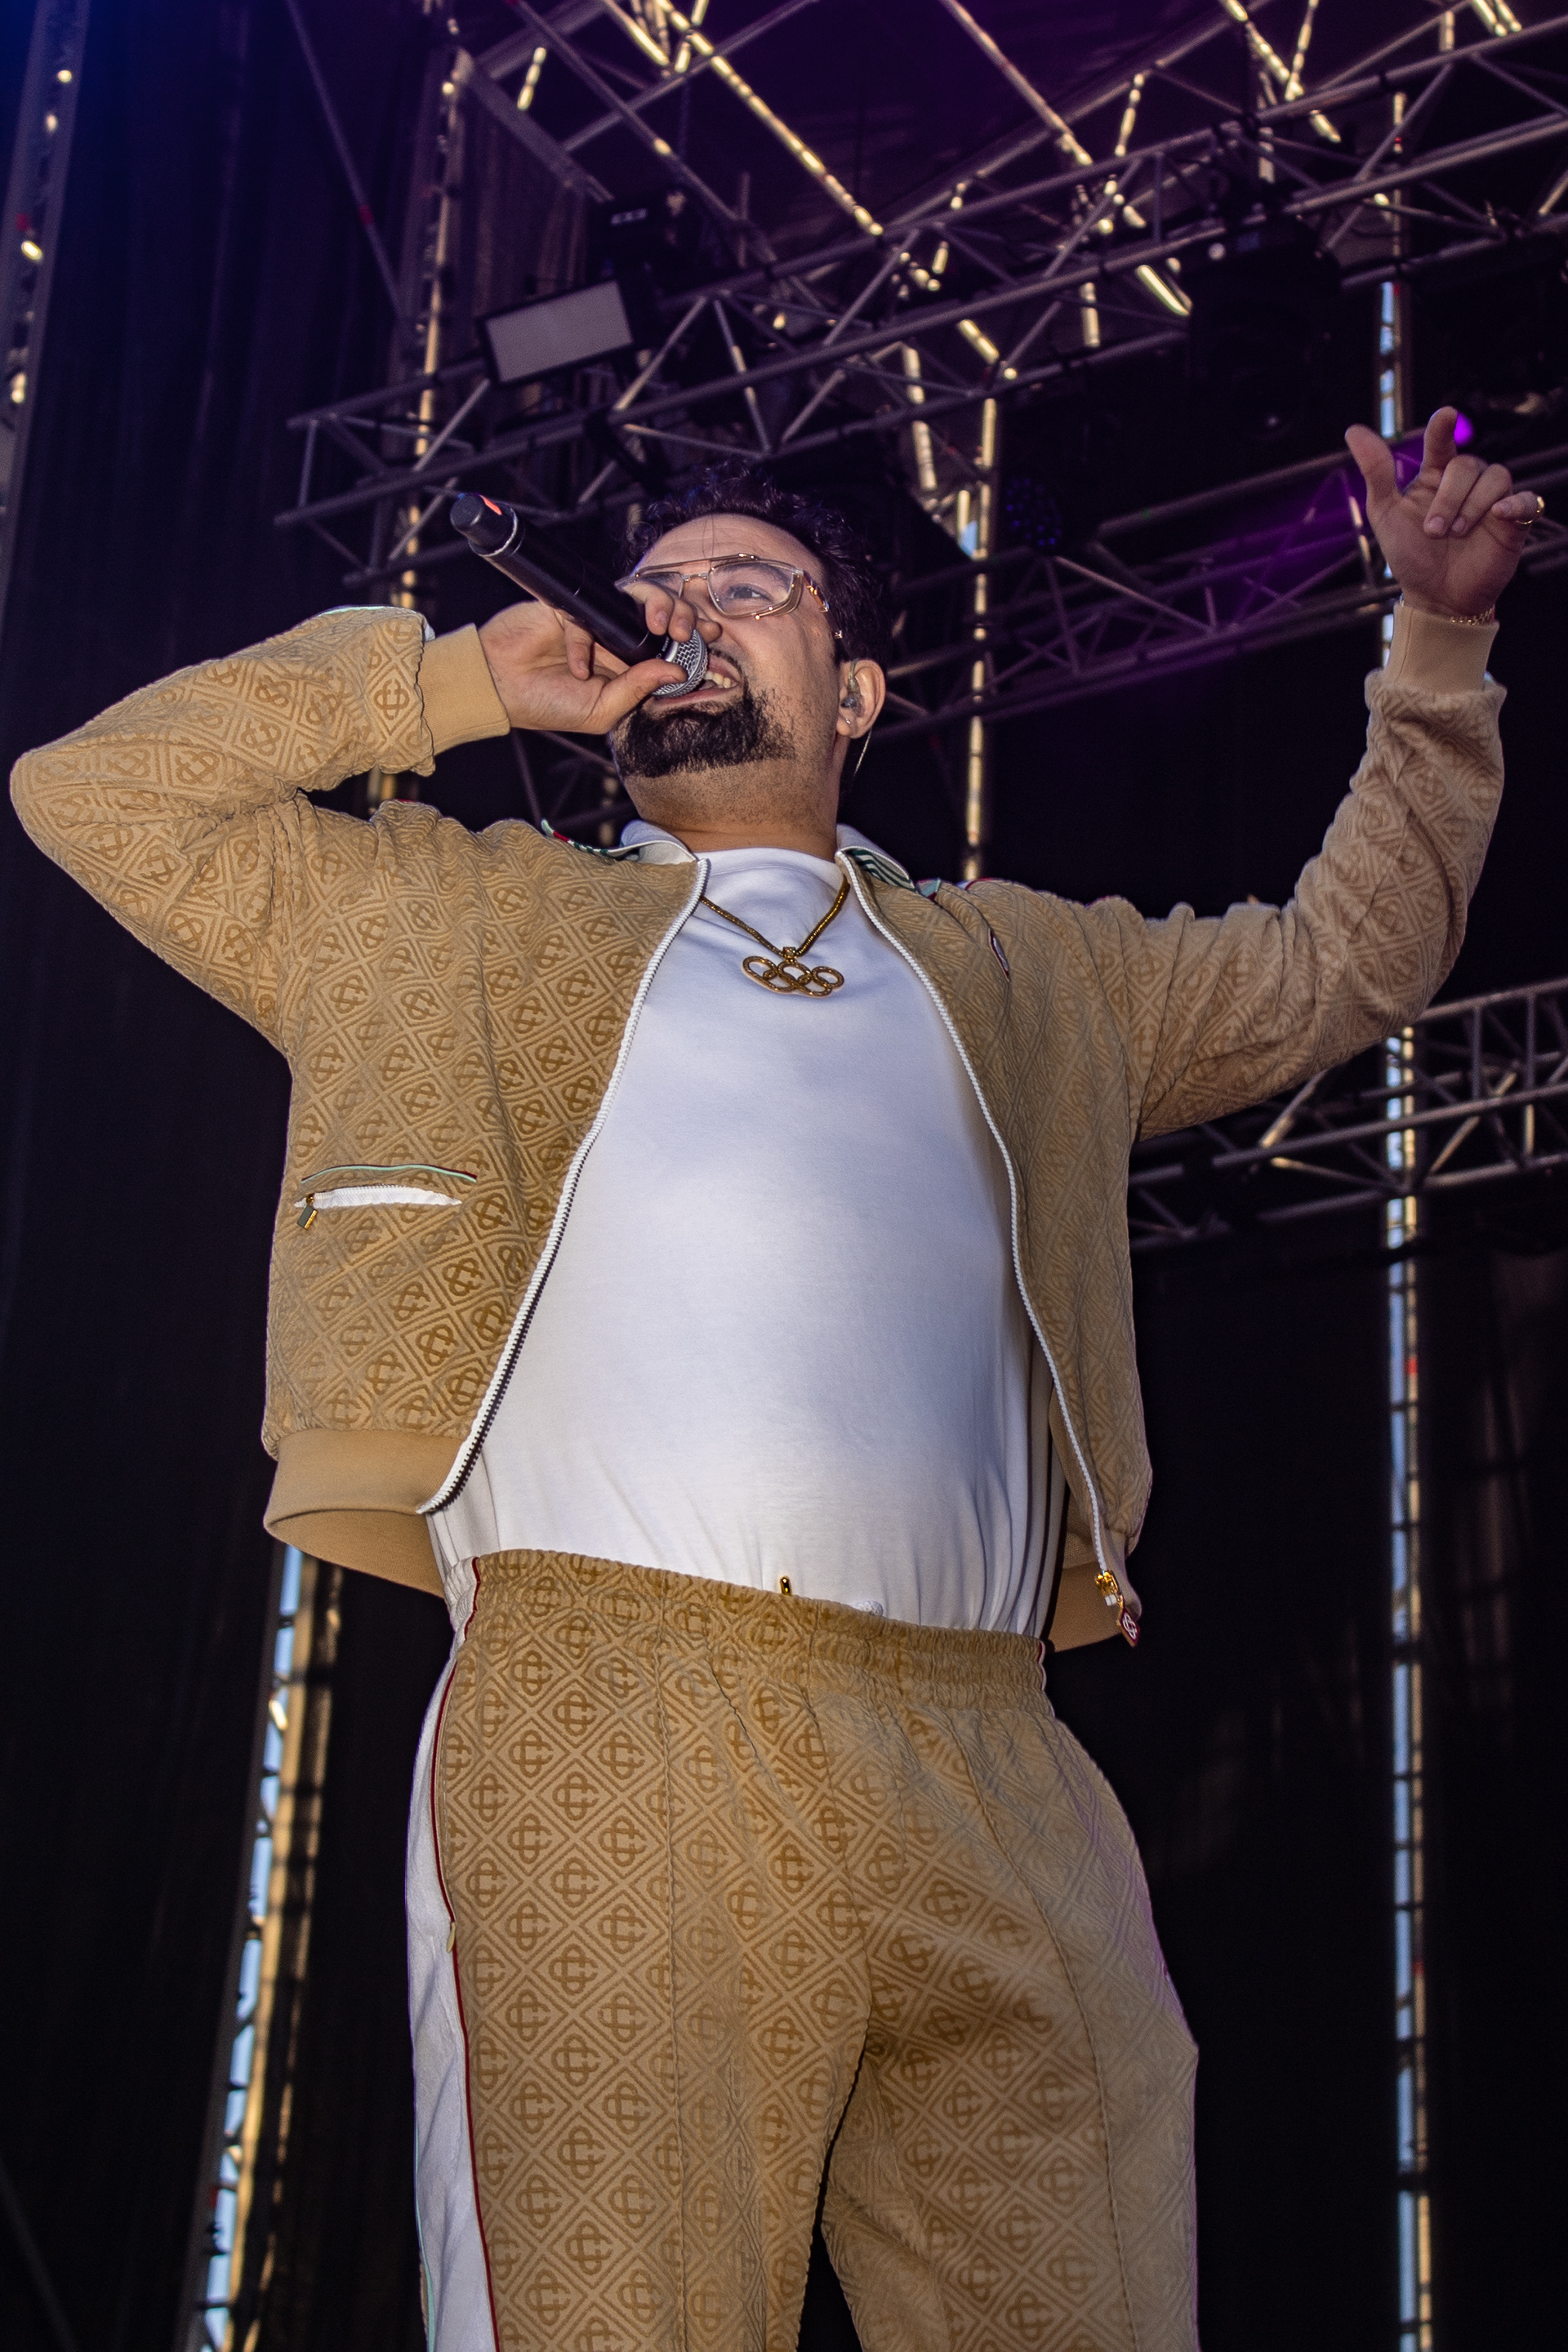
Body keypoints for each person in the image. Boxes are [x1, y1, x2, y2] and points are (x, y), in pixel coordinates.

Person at [11, 410, 1535, 2352]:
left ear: (860, 687)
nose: (689, 612)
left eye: (752, 586)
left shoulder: (1032, 973)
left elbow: (1345, 964)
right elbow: (95, 792)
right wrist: (460, 678)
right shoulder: (445, 917)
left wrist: (1439, 650)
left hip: (991, 1746)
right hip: (613, 1706)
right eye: (657, 590)